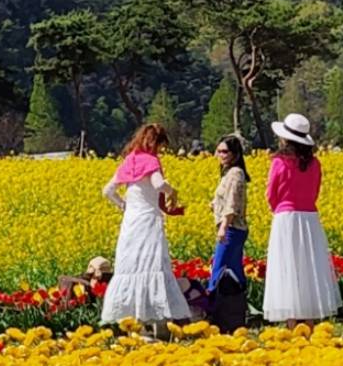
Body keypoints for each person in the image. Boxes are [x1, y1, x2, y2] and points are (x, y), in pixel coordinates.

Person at [100, 123, 190, 330]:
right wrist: (172, 192)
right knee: (153, 266)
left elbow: (107, 191)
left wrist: (123, 205)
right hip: (148, 221)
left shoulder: (129, 161)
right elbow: (158, 184)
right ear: (155, 142)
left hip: (131, 222)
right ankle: (158, 322)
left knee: (132, 267)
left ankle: (136, 323)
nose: (161, 149)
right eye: (161, 145)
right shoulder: (150, 160)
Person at [263, 113, 341, 328]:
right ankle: (310, 321)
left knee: (288, 266)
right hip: (309, 219)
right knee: (309, 266)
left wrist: (279, 208)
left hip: (286, 218)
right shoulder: (315, 163)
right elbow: (315, 192)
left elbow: (271, 194)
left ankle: (291, 322)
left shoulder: (279, 162)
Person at [209, 136, 250, 330]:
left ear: (235, 154)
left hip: (231, 229)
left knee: (218, 271)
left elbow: (232, 203)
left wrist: (224, 226)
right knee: (235, 273)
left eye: (225, 151)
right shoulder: (230, 173)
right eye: (219, 151)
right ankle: (236, 315)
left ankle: (216, 314)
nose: (221, 155)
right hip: (235, 229)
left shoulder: (234, 173)